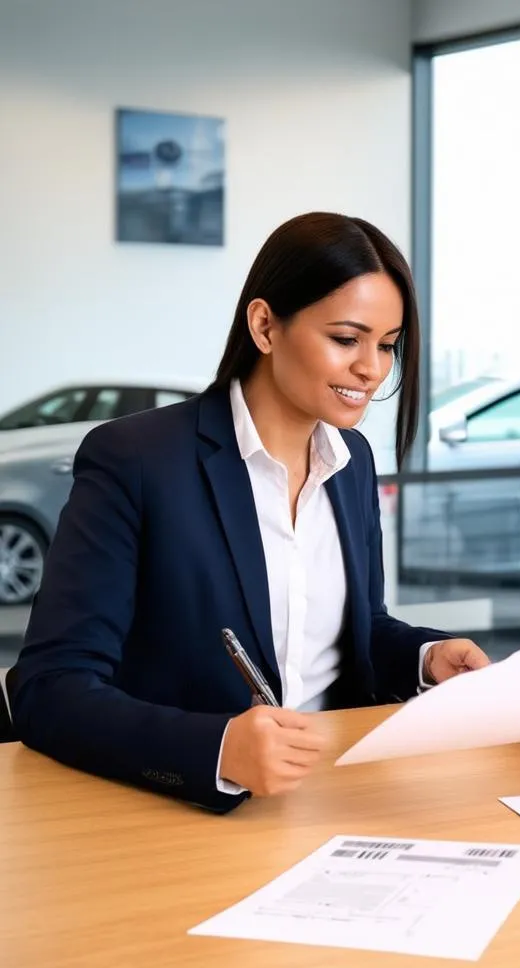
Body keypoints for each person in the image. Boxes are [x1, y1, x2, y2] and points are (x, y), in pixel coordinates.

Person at [8, 213, 489, 811]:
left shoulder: (352, 461)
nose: (373, 368)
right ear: (265, 325)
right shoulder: (136, 460)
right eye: (346, 339)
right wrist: (215, 749)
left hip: (336, 797)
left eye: (387, 345)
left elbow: (352, 630)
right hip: (187, 813)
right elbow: (48, 689)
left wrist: (424, 657)